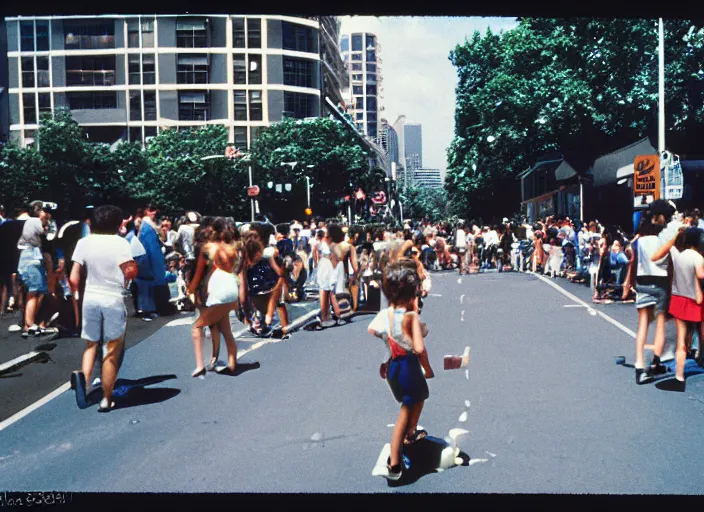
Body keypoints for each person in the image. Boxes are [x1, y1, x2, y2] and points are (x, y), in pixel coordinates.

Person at [367, 261, 434, 481]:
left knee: (418, 398)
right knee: (406, 410)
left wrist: (389, 346)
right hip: (408, 367)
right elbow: (419, 348)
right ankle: (395, 461)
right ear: (410, 295)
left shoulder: (385, 314)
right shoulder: (411, 318)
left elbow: (373, 330)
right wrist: (428, 368)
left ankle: (411, 434)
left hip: (393, 367)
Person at [69, 205, 138, 412]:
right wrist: (129, 277)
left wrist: (77, 295)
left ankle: (86, 381)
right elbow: (130, 270)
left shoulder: (84, 242)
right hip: (112, 298)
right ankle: (107, 399)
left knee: (91, 344)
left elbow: (74, 277)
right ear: (117, 224)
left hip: (90, 297)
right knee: (112, 348)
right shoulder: (120, 243)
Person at [622, 200, 674, 384]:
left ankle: (639, 365)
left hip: (642, 283)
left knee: (642, 325)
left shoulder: (639, 240)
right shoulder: (665, 240)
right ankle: (655, 362)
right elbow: (668, 264)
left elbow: (633, 261)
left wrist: (628, 283)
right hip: (660, 284)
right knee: (660, 325)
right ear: (658, 218)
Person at [649, 225, 704, 391]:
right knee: (701, 333)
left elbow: (656, 256)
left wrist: (675, 237)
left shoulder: (677, 253)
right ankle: (701, 358)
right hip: (697, 300)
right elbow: (702, 275)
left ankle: (679, 377)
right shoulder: (697, 257)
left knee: (682, 341)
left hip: (679, 299)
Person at [186, 217, 240, 377]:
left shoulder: (208, 248)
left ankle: (199, 365)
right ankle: (230, 362)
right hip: (231, 288)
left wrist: (190, 290)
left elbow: (198, 274)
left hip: (215, 290)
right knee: (225, 329)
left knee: (197, 326)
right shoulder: (233, 249)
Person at [17, 201, 54, 337]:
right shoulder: (33, 221)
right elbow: (48, 234)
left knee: (40, 291)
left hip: (33, 256)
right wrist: (47, 220)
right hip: (31, 256)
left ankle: (29, 324)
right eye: (44, 211)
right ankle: (30, 323)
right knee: (34, 291)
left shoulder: (31, 222)